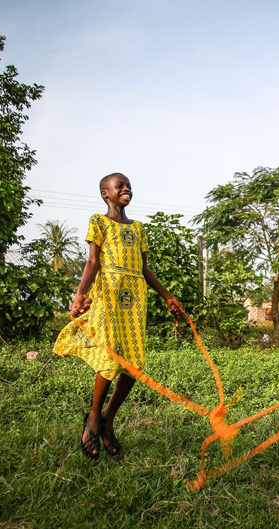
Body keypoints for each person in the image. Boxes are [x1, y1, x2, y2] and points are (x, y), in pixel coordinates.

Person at [54, 172, 185, 460]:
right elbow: (92, 261)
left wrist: (168, 296)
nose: (126, 189)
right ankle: (93, 418)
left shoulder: (138, 228)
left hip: (134, 296)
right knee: (111, 357)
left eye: (128, 186)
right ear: (106, 194)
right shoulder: (98, 221)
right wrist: (80, 293)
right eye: (119, 186)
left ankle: (108, 418)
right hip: (109, 293)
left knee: (134, 363)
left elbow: (144, 268)